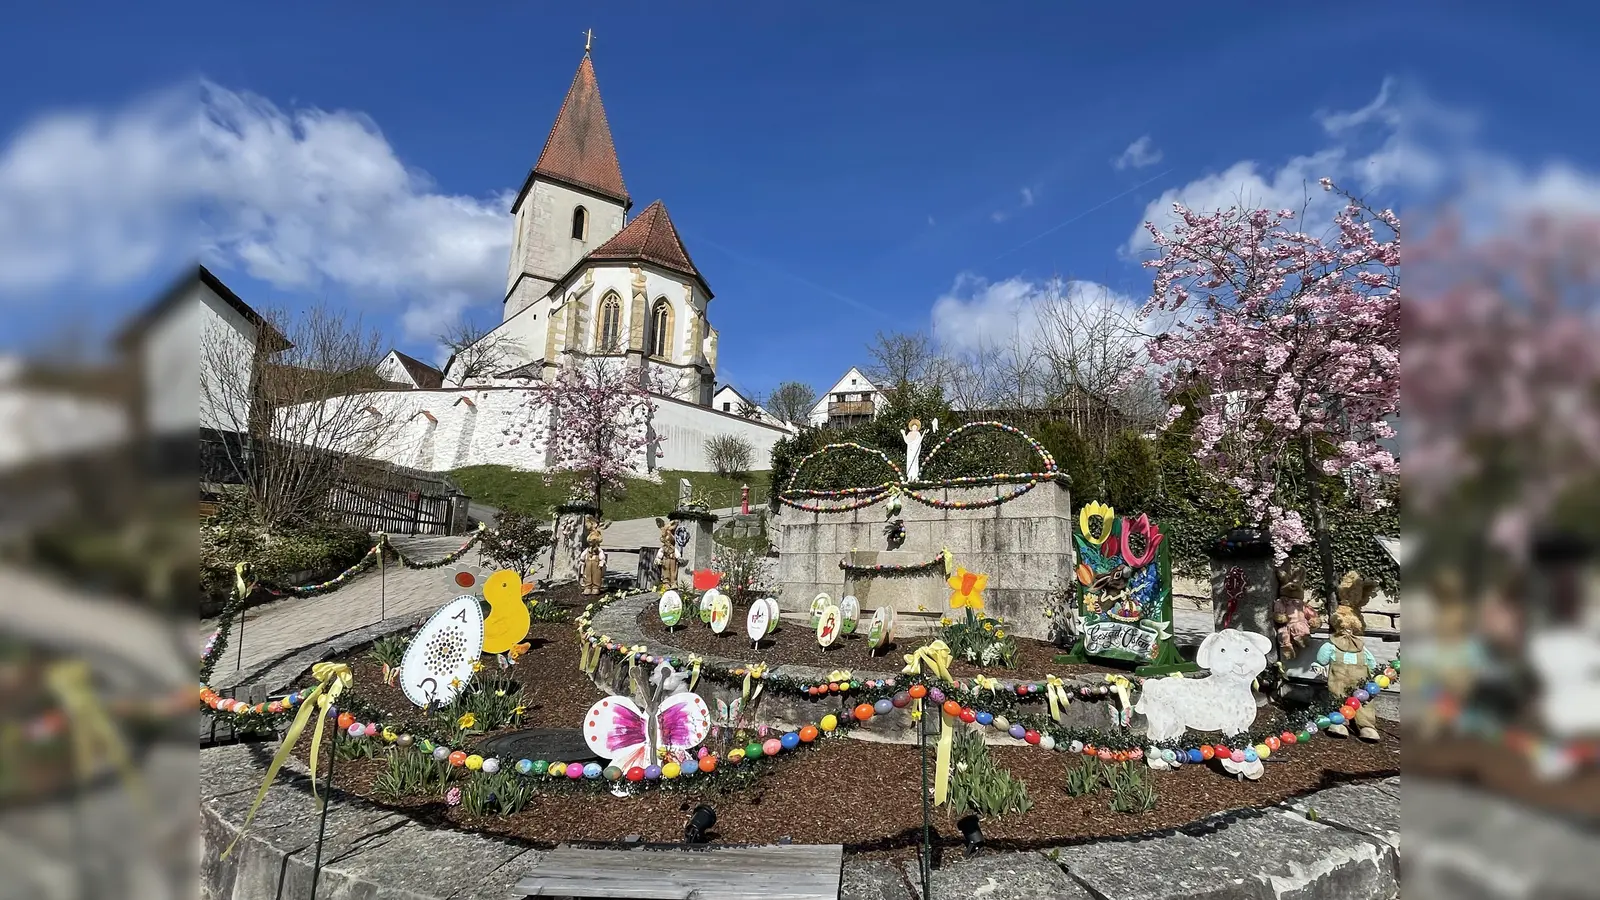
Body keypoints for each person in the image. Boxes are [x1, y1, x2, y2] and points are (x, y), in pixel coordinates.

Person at [901, 417, 937, 482]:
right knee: (909, 461)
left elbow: (919, 441)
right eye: (913, 427)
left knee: (915, 462)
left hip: (915, 449)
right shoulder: (909, 433)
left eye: (915, 427)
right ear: (911, 427)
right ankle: (909, 476)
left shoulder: (918, 434)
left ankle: (914, 476)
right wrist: (903, 434)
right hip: (910, 450)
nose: (914, 428)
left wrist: (925, 432)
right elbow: (907, 441)